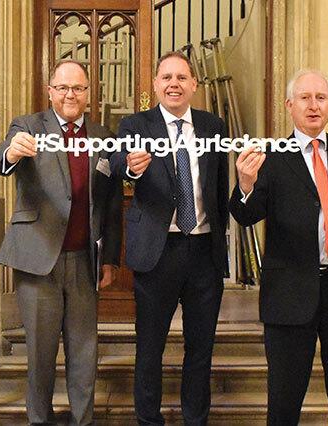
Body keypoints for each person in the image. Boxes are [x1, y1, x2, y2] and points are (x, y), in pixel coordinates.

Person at [229, 69, 328, 425]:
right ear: (289, 105)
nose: (314, 106)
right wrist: (245, 184)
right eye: (305, 98)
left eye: (321, 98)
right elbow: (246, 215)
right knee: (284, 399)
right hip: (290, 292)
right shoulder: (271, 156)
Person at [0, 60, 122, 426]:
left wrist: (109, 258)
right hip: (37, 262)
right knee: (41, 355)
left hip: (83, 262)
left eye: (78, 88)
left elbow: (110, 204)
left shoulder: (101, 136)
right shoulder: (29, 127)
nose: (70, 95)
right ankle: (39, 420)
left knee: (84, 354)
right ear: (50, 91)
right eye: (62, 88)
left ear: (88, 94)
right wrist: (12, 153)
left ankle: (83, 421)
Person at [109, 51, 229, 426]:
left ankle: (196, 419)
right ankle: (149, 420)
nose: (174, 84)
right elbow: (113, 164)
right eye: (166, 77)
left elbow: (219, 184)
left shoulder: (214, 126)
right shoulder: (135, 124)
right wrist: (128, 165)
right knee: (150, 348)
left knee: (201, 349)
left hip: (203, 251)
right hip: (158, 252)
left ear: (194, 84)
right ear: (156, 85)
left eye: (181, 77)